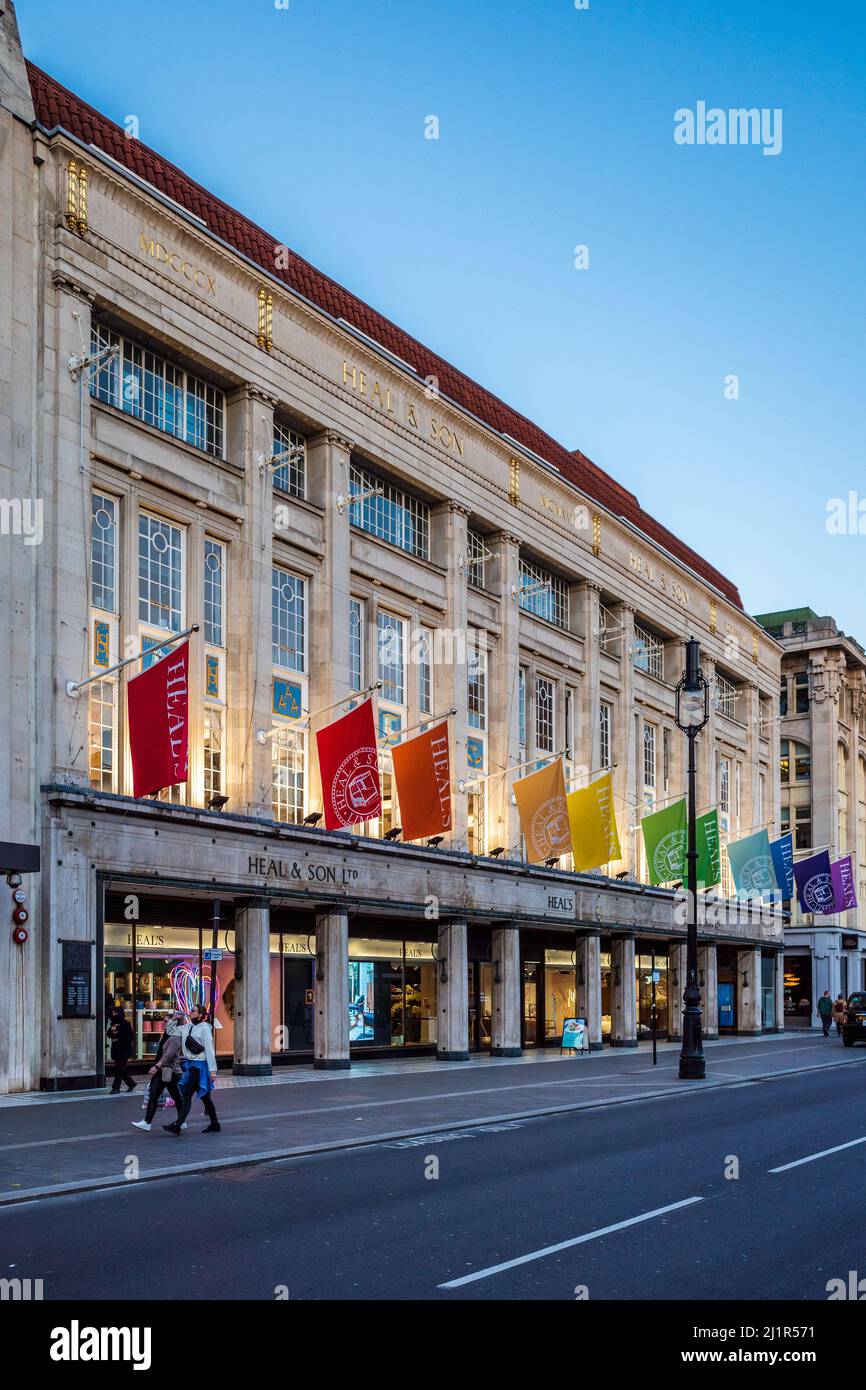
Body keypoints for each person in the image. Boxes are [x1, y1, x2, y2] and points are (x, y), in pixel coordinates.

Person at [164, 1003, 220, 1134]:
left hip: (199, 1067)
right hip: (190, 1066)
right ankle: (215, 1123)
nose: (191, 1012)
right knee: (205, 1097)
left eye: (194, 1011)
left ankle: (177, 1126)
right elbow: (170, 1031)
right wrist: (174, 1018)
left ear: (201, 1015)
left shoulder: (205, 1028)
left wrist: (212, 1071)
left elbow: (210, 1050)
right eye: (191, 1011)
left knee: (187, 1095)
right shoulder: (187, 1027)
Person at [132, 1011, 186, 1132]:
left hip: (168, 1071)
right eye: (165, 1021)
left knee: (155, 1094)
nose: (163, 1023)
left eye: (166, 1021)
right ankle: (181, 1122)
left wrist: (156, 1067)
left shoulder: (176, 1037)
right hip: (164, 1070)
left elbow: (168, 1055)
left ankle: (147, 1122)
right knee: (175, 1097)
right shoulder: (166, 1035)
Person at [107, 1007, 136, 1093]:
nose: (114, 1015)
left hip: (124, 1050)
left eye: (115, 1013)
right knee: (121, 1069)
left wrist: (122, 1041)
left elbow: (131, 1037)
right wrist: (111, 1032)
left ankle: (116, 1088)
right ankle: (131, 1083)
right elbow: (109, 1034)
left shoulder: (126, 1024)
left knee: (119, 1070)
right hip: (116, 1049)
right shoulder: (113, 1023)